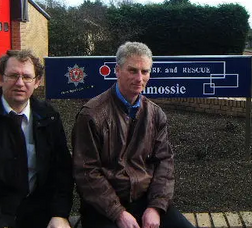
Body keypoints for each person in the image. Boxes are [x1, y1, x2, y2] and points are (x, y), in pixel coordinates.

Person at [72, 42, 194, 228]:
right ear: (117, 70)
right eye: (132, 70)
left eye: (145, 71)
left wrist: (156, 206)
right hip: (103, 208)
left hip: (145, 200)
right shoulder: (91, 115)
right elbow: (87, 172)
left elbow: (164, 163)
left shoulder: (155, 114)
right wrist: (118, 213)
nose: (139, 78)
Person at [0, 50, 73, 228]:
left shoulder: (48, 116)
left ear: (37, 82)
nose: (20, 83)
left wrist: (59, 214)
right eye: (13, 75)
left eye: (27, 77)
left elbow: (62, 170)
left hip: (40, 211)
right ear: (0, 78)